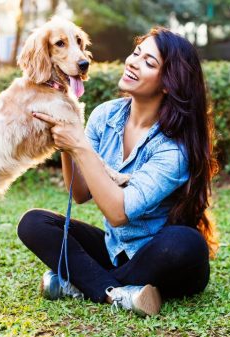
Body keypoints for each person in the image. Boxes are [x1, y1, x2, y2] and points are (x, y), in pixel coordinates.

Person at [18, 27, 219, 317]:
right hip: (115, 251)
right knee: (34, 223)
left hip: (161, 256)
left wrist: (80, 144)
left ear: (168, 84)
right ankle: (119, 293)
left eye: (149, 63)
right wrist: (65, 137)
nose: (133, 62)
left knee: (186, 242)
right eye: (136, 53)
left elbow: (118, 213)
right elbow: (80, 192)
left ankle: (84, 284)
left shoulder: (174, 148)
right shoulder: (105, 115)